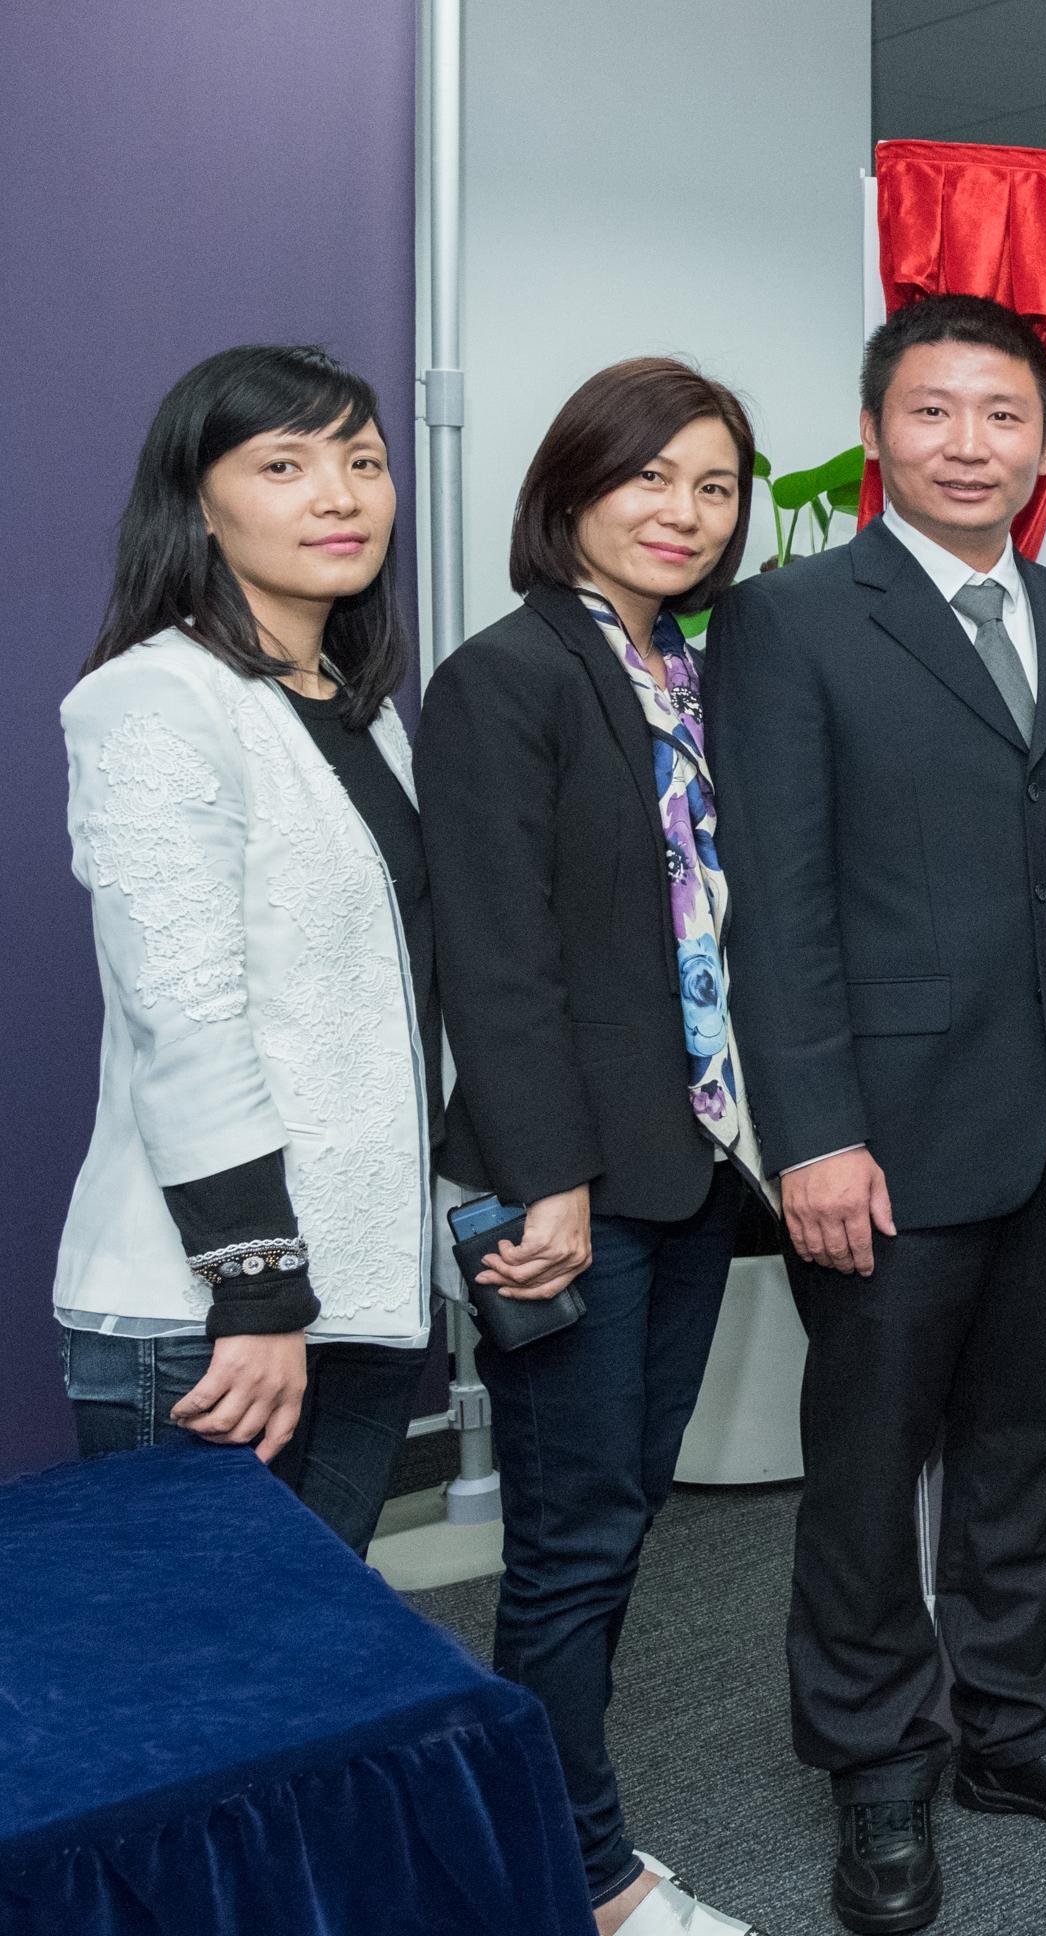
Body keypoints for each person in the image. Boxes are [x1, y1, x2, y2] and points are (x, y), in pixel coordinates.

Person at [709, 293, 1046, 1936]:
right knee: (865, 1465)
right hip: (887, 1140)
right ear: (877, 433)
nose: (968, 445)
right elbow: (776, 905)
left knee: (1021, 1448)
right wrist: (814, 1132)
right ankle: (878, 1766)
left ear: (1043, 442)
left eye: (1000, 417)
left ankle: (1019, 1727)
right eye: (934, 413)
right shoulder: (792, 620)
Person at [420, 357, 769, 1936]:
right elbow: (494, 960)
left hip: (680, 1169)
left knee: (616, 1518)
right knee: (570, 1544)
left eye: (713, 484)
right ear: (570, 489)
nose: (683, 512)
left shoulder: (682, 670)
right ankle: (581, 1880)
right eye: (649, 477)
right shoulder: (510, 675)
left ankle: (525, 1828)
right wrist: (545, 1181)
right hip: (571, 1187)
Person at [55, 344, 433, 1550]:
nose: (340, 494)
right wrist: (257, 1288)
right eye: (286, 464)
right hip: (213, 1312)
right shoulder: (155, 699)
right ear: (202, 510)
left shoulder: (358, 709)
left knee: (320, 1695)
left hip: (359, 1298)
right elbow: (189, 1014)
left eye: (363, 461)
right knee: (197, 1704)